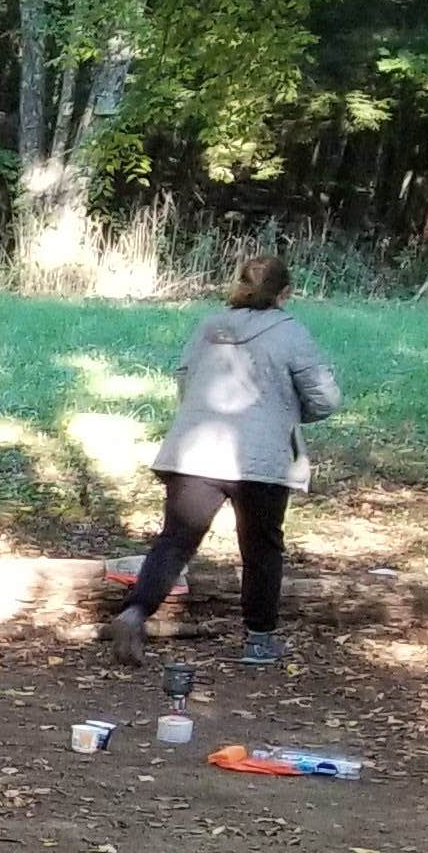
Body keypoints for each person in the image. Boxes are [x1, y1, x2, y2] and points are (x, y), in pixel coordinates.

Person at [107, 251, 342, 670]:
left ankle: (136, 612)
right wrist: (282, 412)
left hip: (194, 452)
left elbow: (185, 379)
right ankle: (259, 641)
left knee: (175, 541)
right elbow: (325, 398)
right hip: (261, 460)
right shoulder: (290, 332)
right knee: (261, 547)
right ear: (286, 292)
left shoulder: (210, 325)